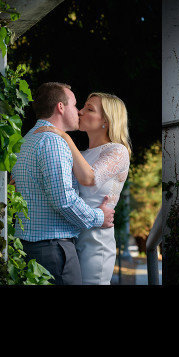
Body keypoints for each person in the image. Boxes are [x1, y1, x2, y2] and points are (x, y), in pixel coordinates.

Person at [11, 82, 115, 285]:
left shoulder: (26, 140)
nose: (78, 111)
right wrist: (98, 217)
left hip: (29, 247)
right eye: (75, 105)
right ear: (60, 107)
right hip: (54, 251)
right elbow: (64, 201)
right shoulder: (53, 142)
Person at [36, 92, 131, 285]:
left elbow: (91, 178)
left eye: (89, 109)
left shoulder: (118, 151)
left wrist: (63, 136)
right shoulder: (81, 154)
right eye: (82, 107)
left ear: (106, 120)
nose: (79, 112)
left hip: (96, 241)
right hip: (70, 238)